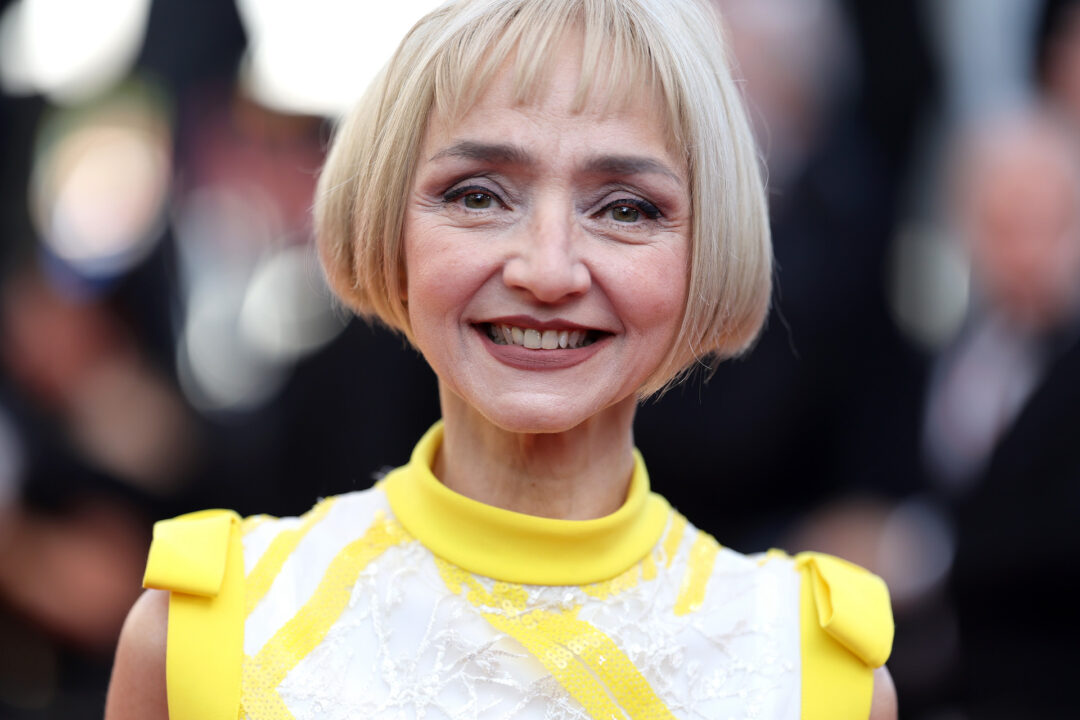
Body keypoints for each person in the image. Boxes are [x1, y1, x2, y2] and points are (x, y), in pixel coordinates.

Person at [105, 1, 896, 718]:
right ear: (389, 224)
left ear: (706, 248)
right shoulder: (200, 633)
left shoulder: (817, 674)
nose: (547, 271)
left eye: (626, 208)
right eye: (478, 195)